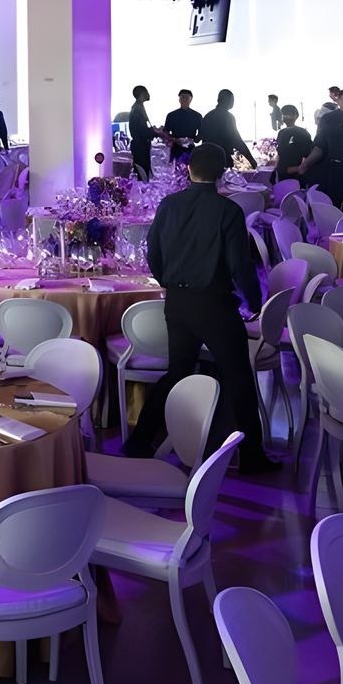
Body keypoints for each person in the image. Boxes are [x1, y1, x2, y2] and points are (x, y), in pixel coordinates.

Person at [122, 143, 276, 474]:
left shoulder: (169, 204)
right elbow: (240, 265)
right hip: (214, 304)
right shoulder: (228, 211)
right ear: (222, 173)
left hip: (177, 302)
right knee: (238, 377)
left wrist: (168, 281)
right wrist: (255, 300)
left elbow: (154, 253)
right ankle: (252, 456)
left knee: (178, 372)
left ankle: (139, 441)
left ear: (188, 169)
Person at [199, 90, 255, 169]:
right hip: (222, 158)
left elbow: (200, 136)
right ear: (228, 100)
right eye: (232, 100)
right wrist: (251, 160)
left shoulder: (208, 116)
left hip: (206, 158)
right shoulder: (228, 117)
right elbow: (237, 140)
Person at [274, 105, 312, 182]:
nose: (284, 117)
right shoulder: (282, 133)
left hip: (292, 175)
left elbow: (308, 157)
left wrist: (298, 169)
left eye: (286, 114)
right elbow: (279, 154)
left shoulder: (301, 133)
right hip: (286, 174)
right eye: (284, 114)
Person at [163, 89, 201, 162]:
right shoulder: (171, 115)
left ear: (191, 99)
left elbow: (201, 132)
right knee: (174, 170)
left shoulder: (197, 116)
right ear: (179, 99)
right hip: (175, 147)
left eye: (186, 98)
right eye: (182, 97)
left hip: (190, 147)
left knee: (190, 170)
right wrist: (173, 139)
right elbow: (166, 132)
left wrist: (194, 139)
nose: (184, 100)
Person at [128, 86, 155, 180]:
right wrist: (155, 132)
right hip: (140, 146)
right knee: (142, 174)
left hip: (141, 145)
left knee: (144, 172)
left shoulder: (138, 107)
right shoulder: (137, 109)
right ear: (143, 93)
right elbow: (141, 131)